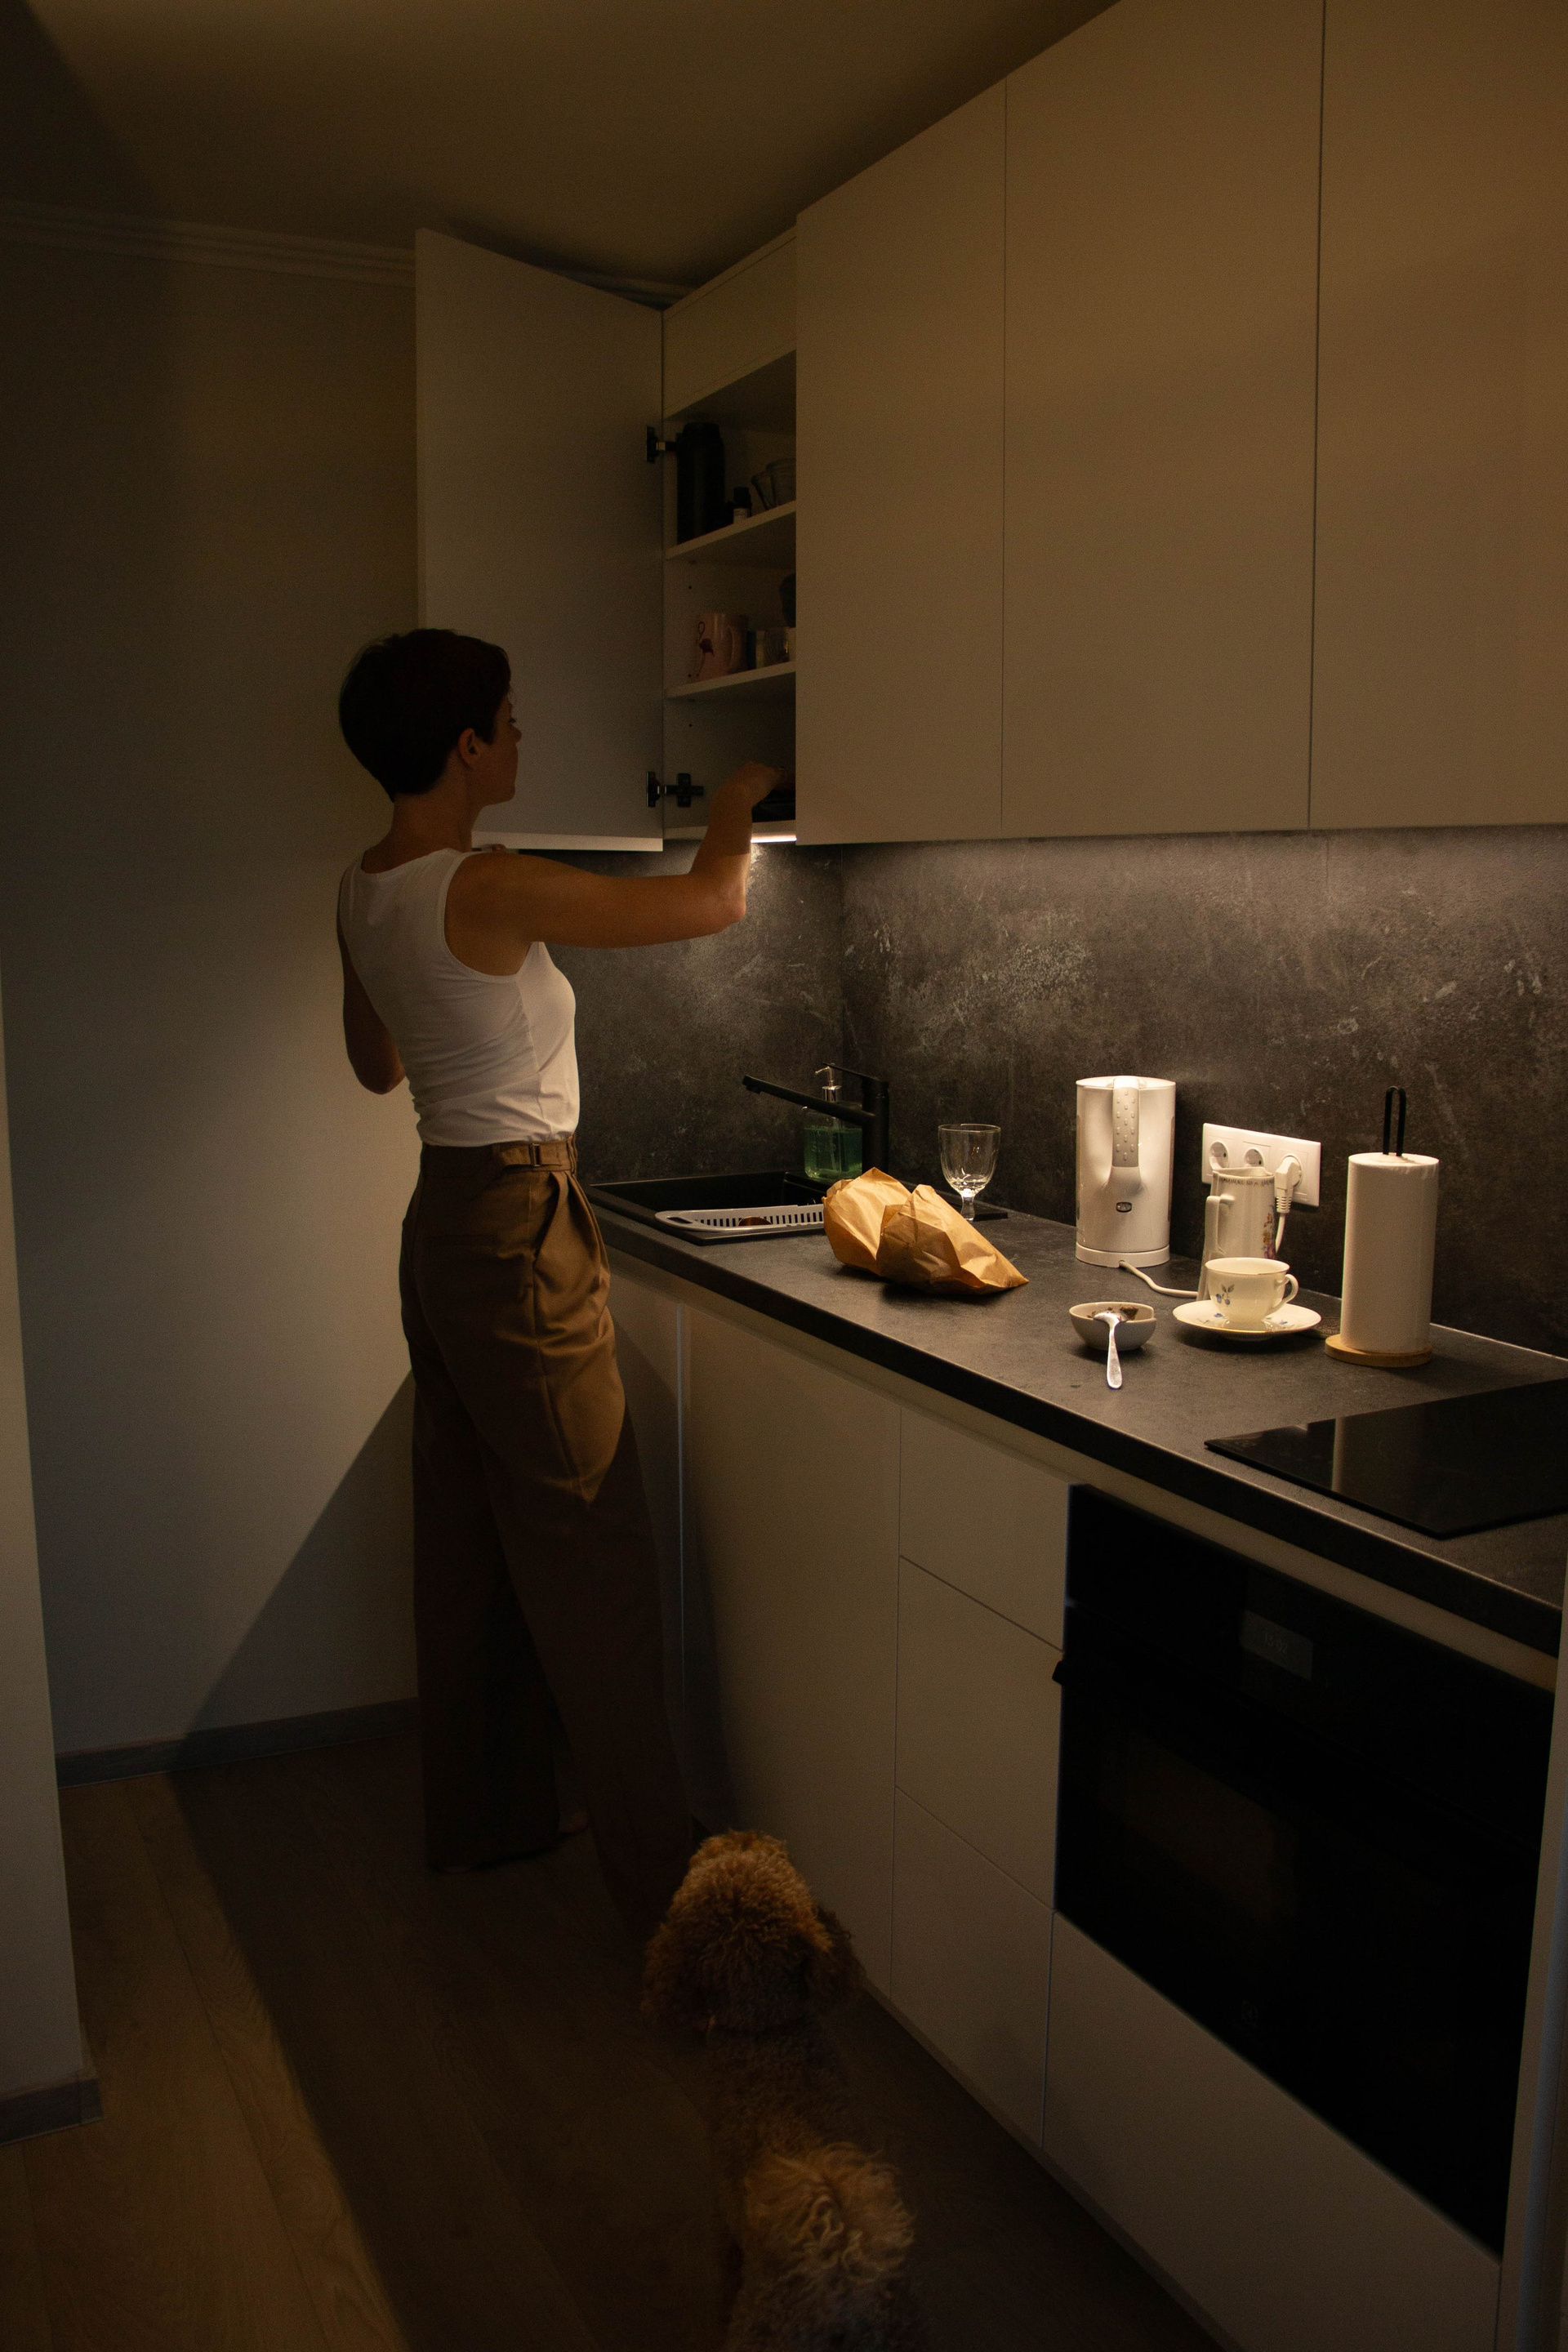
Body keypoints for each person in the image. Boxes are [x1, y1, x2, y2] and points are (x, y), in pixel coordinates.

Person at [335, 626, 776, 1943]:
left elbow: (376, 1066)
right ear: (467, 747)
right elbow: (714, 903)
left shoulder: (363, 885)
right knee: (593, 1553)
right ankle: (668, 1893)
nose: (522, 738)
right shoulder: (489, 883)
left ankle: (489, 1815)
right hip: (521, 1221)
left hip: (443, 1221)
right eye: (511, 721)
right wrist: (742, 793)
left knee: (469, 1531)